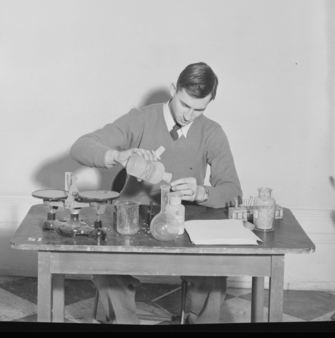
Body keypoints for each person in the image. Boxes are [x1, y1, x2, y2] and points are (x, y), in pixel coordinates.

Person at [69, 62, 242, 324]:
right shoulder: (140, 119)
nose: (188, 116)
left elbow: (232, 190)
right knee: (109, 271)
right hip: (132, 219)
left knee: (213, 274)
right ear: (174, 89)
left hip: (186, 221)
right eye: (185, 105)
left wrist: (201, 193)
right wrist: (118, 155)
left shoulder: (212, 132)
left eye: (199, 110)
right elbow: (81, 146)